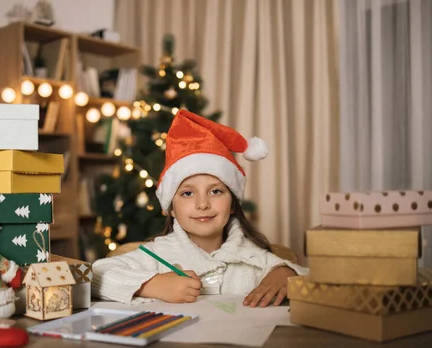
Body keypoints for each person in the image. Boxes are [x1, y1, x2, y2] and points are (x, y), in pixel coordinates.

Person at [91, 110, 307, 308]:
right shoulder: (157, 255)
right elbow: (95, 274)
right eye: (187, 193)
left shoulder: (254, 257)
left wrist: (286, 273)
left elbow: (313, 280)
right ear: (171, 208)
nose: (202, 204)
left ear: (232, 203)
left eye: (215, 192)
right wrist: (152, 285)